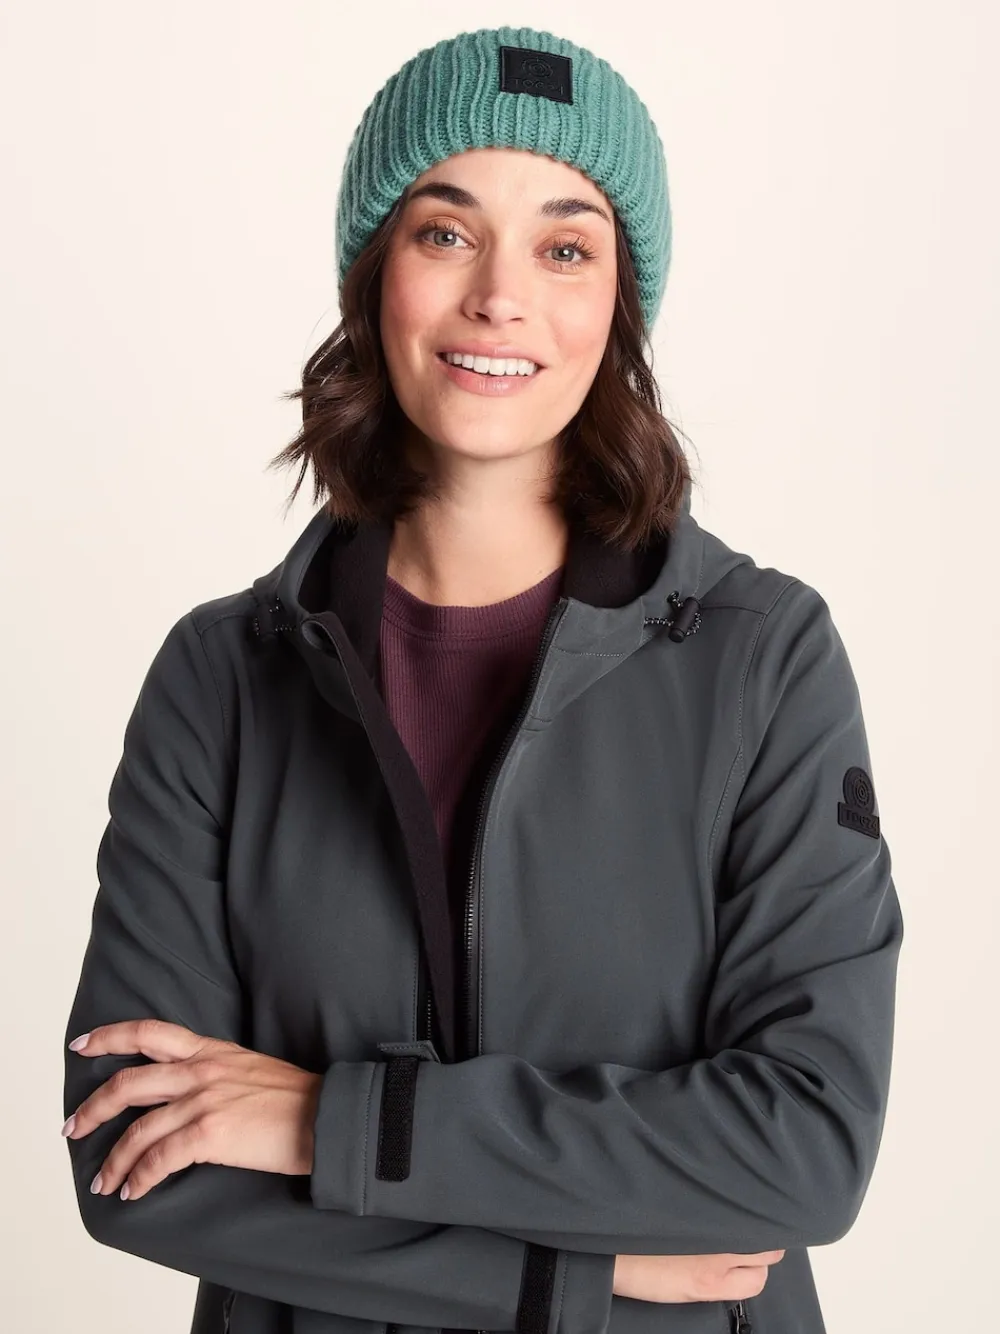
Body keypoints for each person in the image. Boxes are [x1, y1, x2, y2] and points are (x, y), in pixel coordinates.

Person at [61, 25, 903, 1334]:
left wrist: (326, 1121)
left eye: (566, 248)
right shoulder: (220, 681)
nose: (501, 297)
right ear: (374, 273)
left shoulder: (765, 659)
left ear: (619, 303)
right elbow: (134, 1160)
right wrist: (573, 1273)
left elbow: (801, 1149)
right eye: (447, 232)